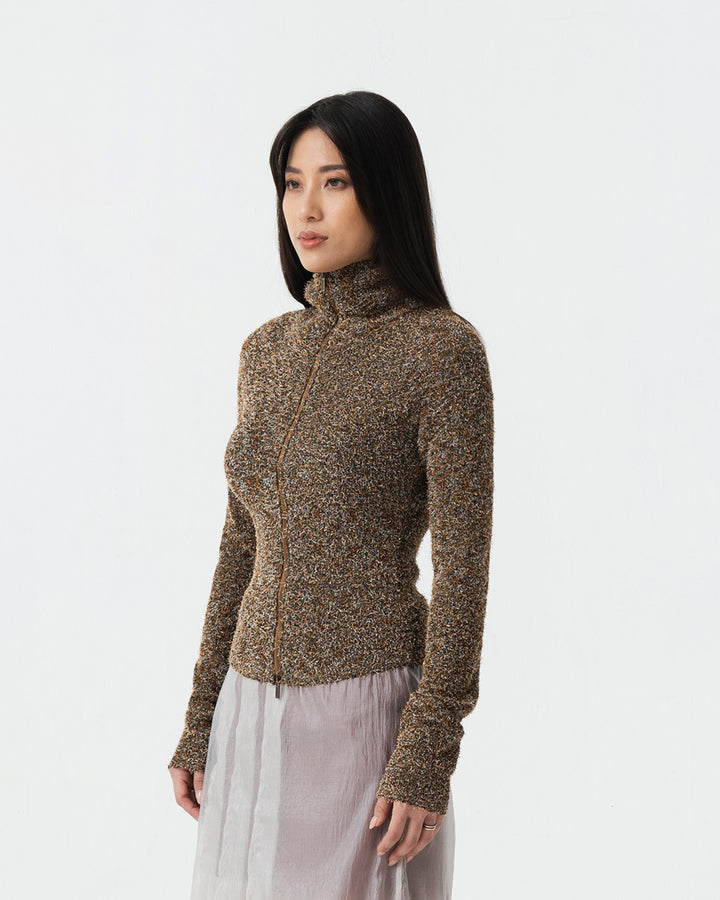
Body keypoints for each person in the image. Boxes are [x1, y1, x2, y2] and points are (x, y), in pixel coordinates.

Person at [168, 90, 494, 899]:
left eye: (335, 182)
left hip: (365, 717)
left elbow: (464, 572)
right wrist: (202, 715)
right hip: (248, 710)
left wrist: (429, 750)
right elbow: (241, 546)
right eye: (292, 183)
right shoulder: (267, 351)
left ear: (387, 191)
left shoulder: (440, 351)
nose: (305, 209)